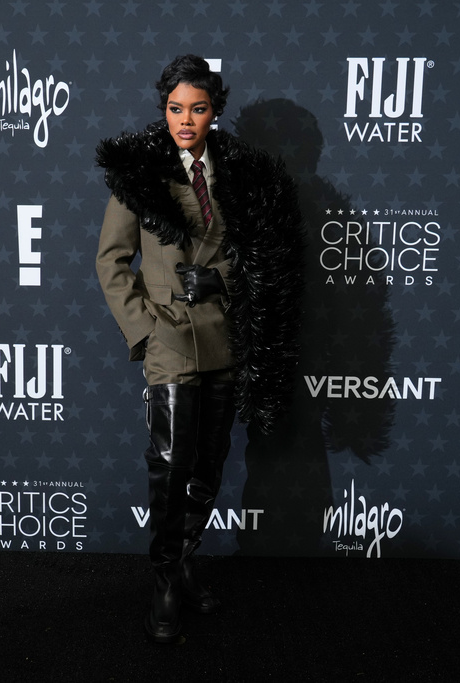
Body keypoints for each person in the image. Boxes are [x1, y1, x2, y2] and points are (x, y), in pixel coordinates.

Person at [95, 55, 305, 643]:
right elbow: (111, 263)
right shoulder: (138, 174)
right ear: (163, 110)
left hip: (225, 338)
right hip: (168, 343)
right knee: (168, 468)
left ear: (216, 112)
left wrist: (226, 283)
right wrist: (145, 329)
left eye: (198, 108)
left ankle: (186, 561)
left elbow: (267, 262)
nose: (185, 120)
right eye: (175, 108)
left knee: (207, 468)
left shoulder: (242, 177)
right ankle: (163, 581)